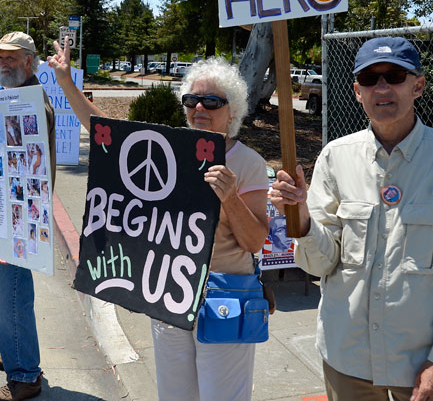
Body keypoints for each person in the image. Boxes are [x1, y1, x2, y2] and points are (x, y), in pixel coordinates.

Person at [269, 37, 433, 401]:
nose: (383, 87)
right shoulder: (335, 158)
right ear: (357, 91)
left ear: (418, 85)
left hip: (423, 365)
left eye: (394, 75)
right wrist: (304, 220)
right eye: (371, 79)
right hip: (349, 360)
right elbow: (320, 264)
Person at [47, 37, 270, 401]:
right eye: (191, 99)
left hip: (223, 299)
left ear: (232, 111)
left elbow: (255, 241)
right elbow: (103, 131)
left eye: (212, 101)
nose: (200, 107)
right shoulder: (170, 148)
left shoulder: (248, 163)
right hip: (168, 293)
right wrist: (66, 82)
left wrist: (230, 197)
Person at [0, 32, 55, 401]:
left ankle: (25, 376)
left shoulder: (33, 98)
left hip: (19, 215)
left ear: (29, 61)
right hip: (1, 209)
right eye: (0, 58)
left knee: (11, 294)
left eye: (11, 58)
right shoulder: (9, 94)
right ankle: (12, 351)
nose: (2, 64)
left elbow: (32, 125)